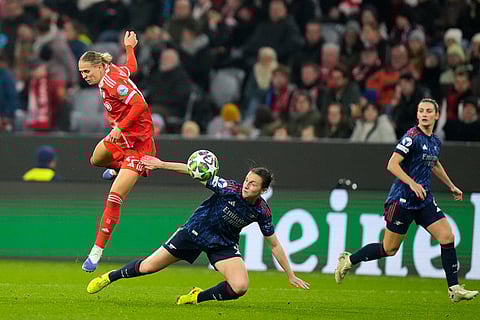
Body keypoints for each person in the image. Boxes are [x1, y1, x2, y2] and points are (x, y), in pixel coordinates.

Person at [86, 161, 310, 303]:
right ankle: (109, 277)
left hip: (222, 244)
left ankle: (196, 297)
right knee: (148, 267)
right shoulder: (228, 188)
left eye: (253, 184)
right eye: (246, 180)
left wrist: (290, 274)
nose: (246, 185)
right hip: (194, 232)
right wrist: (161, 164)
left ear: (263, 190)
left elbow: (275, 244)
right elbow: (195, 171)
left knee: (240, 287)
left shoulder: (262, 211)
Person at [335, 98, 479, 303]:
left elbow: (434, 164)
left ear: (437, 115)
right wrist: (411, 183)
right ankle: (348, 260)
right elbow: (392, 164)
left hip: (424, 199)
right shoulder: (411, 137)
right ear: (417, 114)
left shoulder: (435, 141)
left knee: (447, 236)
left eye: (429, 111)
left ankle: (454, 288)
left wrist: (451, 185)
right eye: (421, 110)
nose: (424, 114)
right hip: (402, 200)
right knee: (389, 249)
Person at [78, 31, 155, 272]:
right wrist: (130, 47)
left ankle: (97, 250)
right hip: (121, 138)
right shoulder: (113, 73)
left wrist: (120, 127)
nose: (84, 76)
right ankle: (118, 168)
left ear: (100, 67)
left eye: (87, 71)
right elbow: (131, 67)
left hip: (138, 144)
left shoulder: (114, 83)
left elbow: (139, 104)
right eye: (81, 72)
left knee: (114, 196)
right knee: (96, 159)